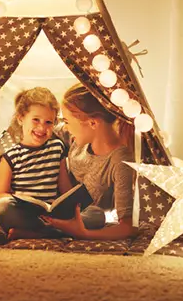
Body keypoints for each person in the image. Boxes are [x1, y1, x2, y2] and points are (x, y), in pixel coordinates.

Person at [41, 84, 138, 240]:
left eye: (66, 121)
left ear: (92, 123)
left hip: (87, 216)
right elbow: (40, 131)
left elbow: (127, 227)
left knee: (96, 215)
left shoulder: (119, 161)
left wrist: (84, 234)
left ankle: (42, 229)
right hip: (50, 201)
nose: (65, 128)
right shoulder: (76, 137)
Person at [0, 87, 71, 240]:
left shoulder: (57, 148)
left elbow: (65, 188)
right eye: (36, 120)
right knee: (3, 207)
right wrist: (24, 203)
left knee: (96, 215)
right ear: (21, 118)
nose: (42, 127)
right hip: (25, 214)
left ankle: (38, 232)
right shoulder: (10, 157)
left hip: (52, 215)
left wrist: (72, 205)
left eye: (48, 122)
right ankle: (51, 232)